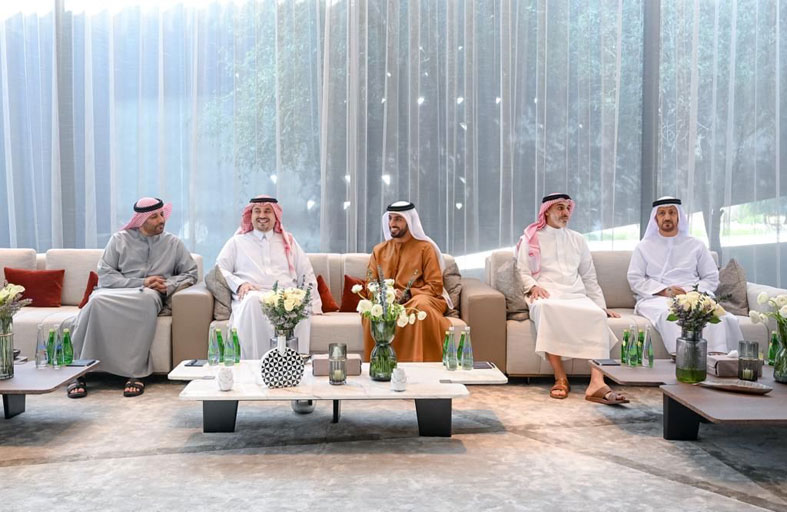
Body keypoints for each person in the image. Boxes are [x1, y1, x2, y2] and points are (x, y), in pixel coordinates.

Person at [66, 197, 198, 398]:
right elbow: (106, 276)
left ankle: (136, 373)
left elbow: (191, 273)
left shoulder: (173, 243)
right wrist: (141, 282)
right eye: (154, 217)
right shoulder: (119, 240)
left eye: (162, 214)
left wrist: (167, 285)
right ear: (141, 220)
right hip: (115, 291)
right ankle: (79, 372)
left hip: (148, 296)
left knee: (146, 300)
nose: (161, 220)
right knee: (95, 301)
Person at [515, 193, 628, 405]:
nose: (565, 213)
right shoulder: (530, 239)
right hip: (546, 293)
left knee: (596, 315)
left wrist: (601, 306)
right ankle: (560, 378)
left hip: (575, 295)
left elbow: (589, 276)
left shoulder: (578, 239)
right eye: (560, 208)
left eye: (568, 208)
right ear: (546, 211)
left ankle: (597, 383)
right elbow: (522, 270)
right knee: (545, 309)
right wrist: (533, 286)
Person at [627, 196, 743, 354]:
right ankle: (684, 358)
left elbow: (711, 277)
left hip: (695, 295)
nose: (667, 217)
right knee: (671, 315)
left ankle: (718, 358)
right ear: (655, 218)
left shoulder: (696, 245)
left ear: (679, 216)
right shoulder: (643, 247)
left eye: (671, 212)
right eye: (662, 213)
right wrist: (665, 291)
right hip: (658, 298)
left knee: (720, 317)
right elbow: (635, 278)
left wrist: (690, 293)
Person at [216, 195, 321, 358]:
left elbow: (305, 272)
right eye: (257, 211)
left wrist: (312, 303)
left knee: (300, 304)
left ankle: (293, 366)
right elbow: (220, 269)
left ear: (275, 216)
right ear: (250, 215)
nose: (262, 215)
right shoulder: (237, 242)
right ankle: (255, 366)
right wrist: (239, 284)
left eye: (267, 211)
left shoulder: (288, 241)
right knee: (253, 301)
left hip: (285, 295)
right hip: (253, 294)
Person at [363, 201, 452, 362]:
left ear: (409, 221)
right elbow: (370, 283)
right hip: (388, 301)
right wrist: (384, 295)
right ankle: (383, 364)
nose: (392, 224)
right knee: (372, 311)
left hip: (419, 297)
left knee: (420, 306)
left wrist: (408, 294)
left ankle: (418, 365)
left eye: (398, 219)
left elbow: (435, 286)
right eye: (390, 218)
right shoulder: (379, 250)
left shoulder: (425, 249)